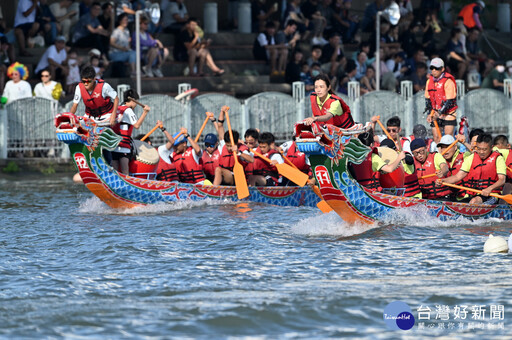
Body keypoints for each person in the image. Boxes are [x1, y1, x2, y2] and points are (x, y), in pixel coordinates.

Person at [438, 133, 505, 205]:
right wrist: (443, 180)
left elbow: (502, 180)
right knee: (458, 204)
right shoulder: (472, 157)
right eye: (479, 149)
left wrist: (490, 189)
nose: (481, 152)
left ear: (491, 147)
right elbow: (457, 177)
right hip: (474, 195)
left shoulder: (498, 158)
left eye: (484, 149)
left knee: (474, 202)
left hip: (491, 195)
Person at [110, 90, 150, 174]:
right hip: (124, 146)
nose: (136, 104)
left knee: (115, 171)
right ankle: (125, 186)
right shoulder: (128, 111)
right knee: (125, 172)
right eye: (136, 102)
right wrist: (145, 113)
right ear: (132, 100)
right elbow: (137, 125)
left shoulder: (117, 108)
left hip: (113, 145)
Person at [213, 108, 254, 186]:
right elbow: (220, 125)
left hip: (237, 178)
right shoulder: (223, 145)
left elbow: (251, 160)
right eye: (227, 145)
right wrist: (222, 112)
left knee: (218, 170)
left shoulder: (242, 148)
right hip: (226, 175)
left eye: (230, 146)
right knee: (218, 169)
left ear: (236, 143)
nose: (229, 148)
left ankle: (214, 190)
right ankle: (214, 189)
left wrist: (239, 153)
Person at [425, 57, 458, 142]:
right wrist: (430, 113)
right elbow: (428, 101)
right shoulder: (429, 82)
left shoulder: (448, 81)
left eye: (437, 68)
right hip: (435, 112)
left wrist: (439, 113)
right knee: (436, 137)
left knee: (448, 138)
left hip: (448, 113)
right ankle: (439, 154)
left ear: (442, 69)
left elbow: (449, 102)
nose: (434, 70)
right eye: (432, 68)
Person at [109, 13, 137, 77]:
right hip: (115, 54)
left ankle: (134, 70)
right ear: (120, 21)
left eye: (127, 20)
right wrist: (122, 48)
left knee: (134, 53)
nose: (126, 21)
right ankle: (133, 71)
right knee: (132, 54)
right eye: (124, 20)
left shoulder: (127, 31)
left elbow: (128, 44)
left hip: (123, 53)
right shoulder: (116, 31)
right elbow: (111, 42)